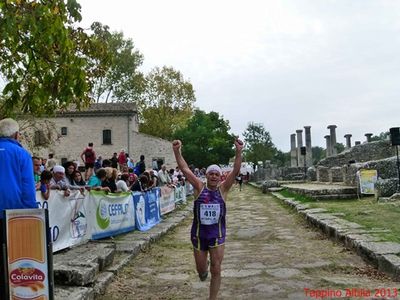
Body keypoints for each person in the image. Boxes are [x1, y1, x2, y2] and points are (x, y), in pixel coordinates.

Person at [172, 137, 243, 300]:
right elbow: (184, 169)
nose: (213, 176)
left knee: (216, 269)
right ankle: (203, 270)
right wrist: (177, 151)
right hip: (198, 235)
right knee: (202, 271)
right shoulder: (199, 187)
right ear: (206, 175)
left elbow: (236, 170)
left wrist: (238, 152)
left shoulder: (223, 189)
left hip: (217, 235)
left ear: (220, 177)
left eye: (216, 174)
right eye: (210, 174)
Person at [0, 118, 38, 298]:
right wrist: (31, 214)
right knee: (14, 258)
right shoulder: (21, 154)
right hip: (13, 215)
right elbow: (27, 188)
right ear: (16, 135)